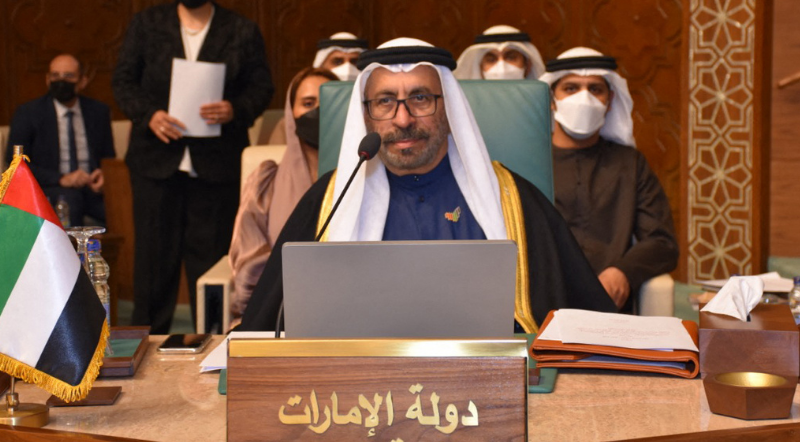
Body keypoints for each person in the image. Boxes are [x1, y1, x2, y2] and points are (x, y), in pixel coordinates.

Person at [240, 38, 616, 334]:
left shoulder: (514, 201)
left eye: (420, 98)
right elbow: (268, 326)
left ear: (449, 109)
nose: (402, 119)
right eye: (385, 101)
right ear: (367, 117)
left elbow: (579, 320)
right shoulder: (329, 202)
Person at [112, 0, 274, 334]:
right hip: (156, 164)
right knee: (152, 265)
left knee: (211, 262)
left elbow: (262, 88)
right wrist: (149, 115)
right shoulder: (146, 23)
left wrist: (234, 109)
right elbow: (123, 82)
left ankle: (212, 344)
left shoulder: (241, 29)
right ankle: (145, 348)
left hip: (217, 166)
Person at [539, 47, 679, 311]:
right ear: (552, 99)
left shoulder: (630, 164)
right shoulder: (529, 162)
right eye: (571, 88)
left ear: (610, 100)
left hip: (610, 307)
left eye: (595, 89)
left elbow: (663, 242)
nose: (584, 98)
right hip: (544, 304)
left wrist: (623, 271)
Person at [229, 67, 338, 318]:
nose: (317, 112)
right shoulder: (266, 182)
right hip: (276, 315)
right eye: (308, 103)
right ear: (291, 114)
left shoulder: (367, 179)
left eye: (327, 103)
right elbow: (247, 262)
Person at [6, 54, 114, 227]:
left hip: (92, 189)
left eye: (68, 76)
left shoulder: (98, 112)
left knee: (123, 206)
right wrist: (61, 178)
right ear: (47, 80)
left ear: (82, 81)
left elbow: (109, 157)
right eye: (55, 76)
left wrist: (103, 176)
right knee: (71, 201)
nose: (61, 81)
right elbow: (15, 163)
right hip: (51, 188)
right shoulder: (27, 113)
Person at [454, 25, 545, 81]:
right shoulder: (469, 106)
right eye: (491, 59)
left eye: (511, 58)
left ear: (528, 66)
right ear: (480, 67)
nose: (502, 67)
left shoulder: (545, 105)